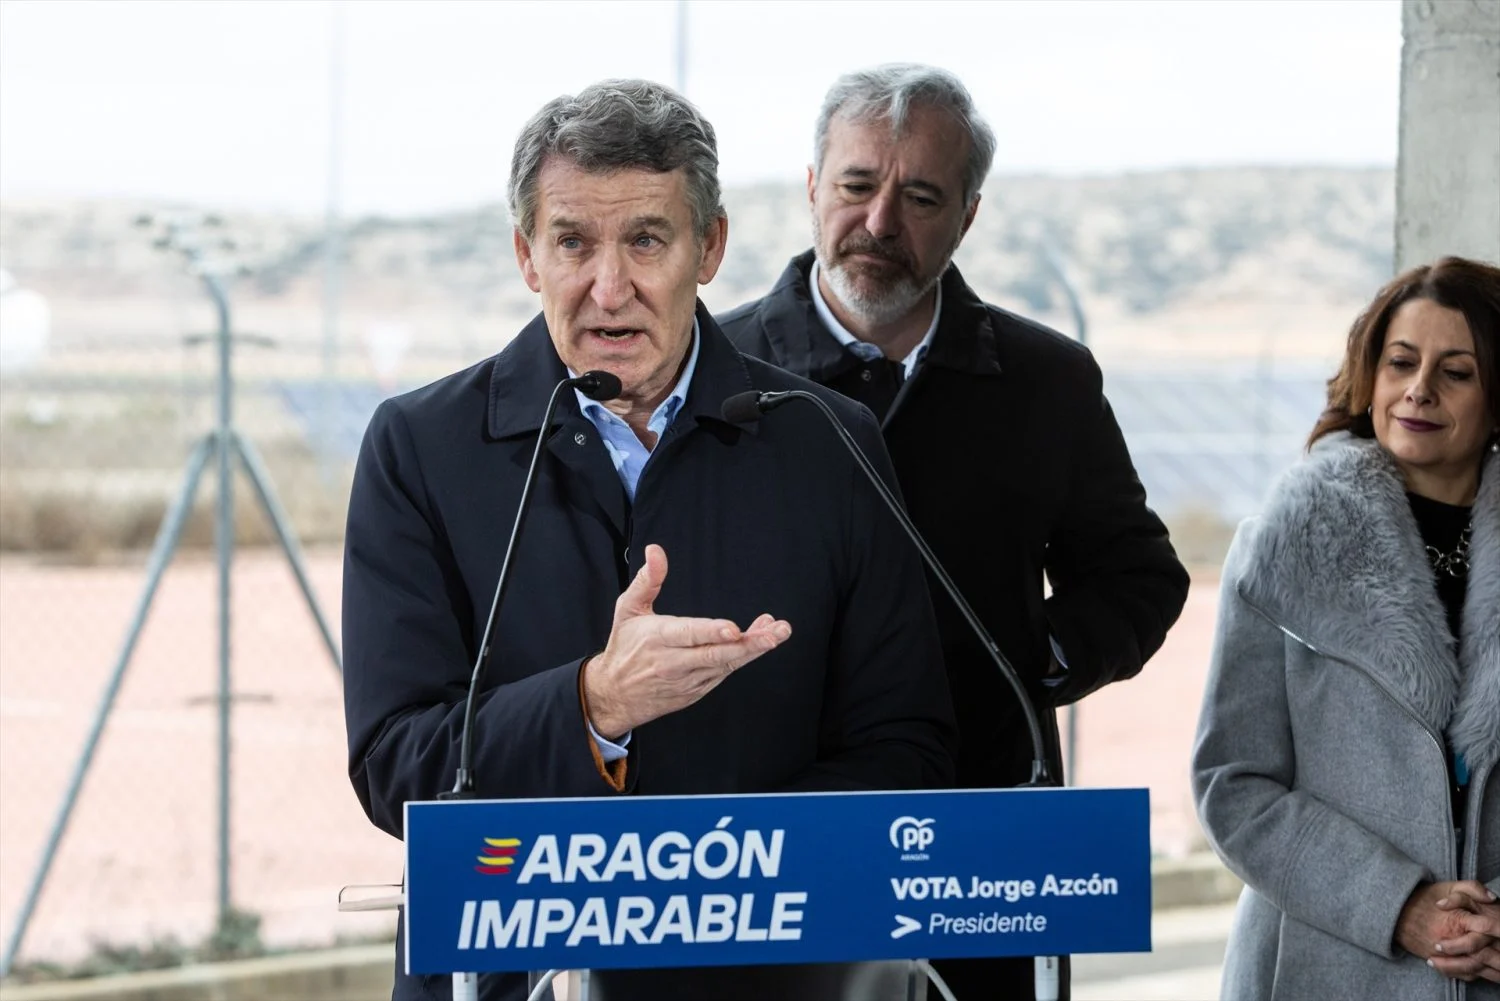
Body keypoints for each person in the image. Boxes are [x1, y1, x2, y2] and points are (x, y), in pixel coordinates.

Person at [341, 79, 957, 1001]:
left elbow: (906, 747)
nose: (609, 287)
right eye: (573, 243)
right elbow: (398, 764)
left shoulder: (831, 443)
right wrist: (593, 704)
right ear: (526, 254)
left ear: (708, 248)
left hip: (769, 982)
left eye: (646, 240)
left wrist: (705, 876)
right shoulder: (420, 448)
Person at [719, 64, 1190, 1000]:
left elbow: (1139, 578)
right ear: (811, 188)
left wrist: (1031, 657)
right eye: (857, 185)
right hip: (765, 845)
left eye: (921, 197)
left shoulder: (1048, 380)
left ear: (968, 216)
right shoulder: (713, 371)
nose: (880, 222)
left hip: (980, 852)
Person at [1193, 256, 1500, 1000]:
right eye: (1401, 362)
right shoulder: (1282, 546)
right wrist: (1399, 905)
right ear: (1371, 376)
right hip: (1321, 967)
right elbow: (1233, 785)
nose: (1419, 389)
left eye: (1456, 372)